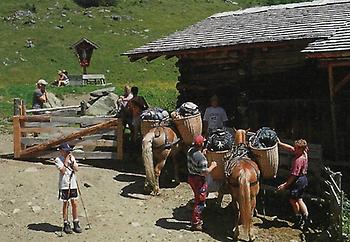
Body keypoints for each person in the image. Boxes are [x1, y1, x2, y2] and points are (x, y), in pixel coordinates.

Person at [277, 139, 311, 229]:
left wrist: (285, 185)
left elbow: (293, 176)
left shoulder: (298, 160)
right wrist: (280, 143)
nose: (294, 149)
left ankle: (298, 219)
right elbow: (290, 148)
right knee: (299, 199)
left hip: (298, 180)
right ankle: (306, 219)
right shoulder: (304, 154)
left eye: (296, 148)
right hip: (303, 179)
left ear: (301, 149)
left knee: (293, 200)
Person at [187, 135, 217, 231]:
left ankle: (195, 215)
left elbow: (196, 156)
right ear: (202, 144)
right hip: (199, 180)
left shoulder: (190, 151)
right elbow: (205, 172)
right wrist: (213, 165)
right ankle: (196, 222)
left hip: (191, 177)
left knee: (196, 196)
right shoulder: (202, 159)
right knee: (200, 201)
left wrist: (201, 153)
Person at [55, 143, 82, 234]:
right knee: (65, 203)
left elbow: (76, 169)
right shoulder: (58, 159)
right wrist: (66, 161)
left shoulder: (72, 158)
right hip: (64, 184)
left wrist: (73, 162)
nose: (67, 152)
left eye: (68, 151)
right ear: (61, 151)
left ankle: (76, 221)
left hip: (73, 183)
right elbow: (62, 170)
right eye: (66, 151)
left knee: (74, 202)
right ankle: (66, 223)